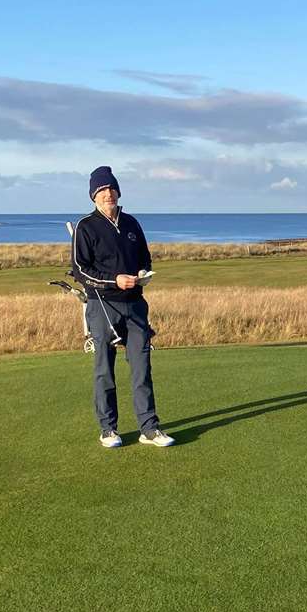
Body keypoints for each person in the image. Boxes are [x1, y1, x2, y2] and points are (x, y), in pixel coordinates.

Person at [71, 166, 174, 448]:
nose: (108, 194)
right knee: (104, 369)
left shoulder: (131, 224)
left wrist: (142, 275)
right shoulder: (86, 226)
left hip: (135, 304)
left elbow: (145, 258)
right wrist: (113, 280)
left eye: (111, 189)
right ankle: (108, 429)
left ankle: (149, 428)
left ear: (118, 192)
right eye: (102, 191)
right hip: (102, 305)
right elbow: (81, 270)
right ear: (94, 196)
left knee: (142, 367)